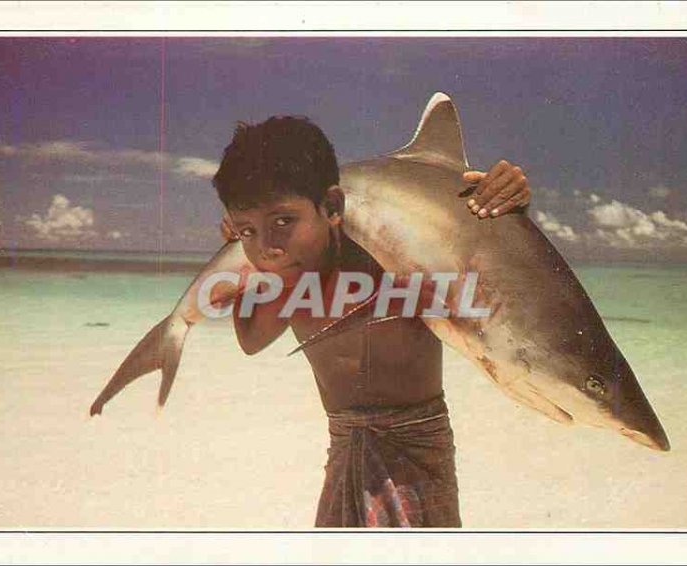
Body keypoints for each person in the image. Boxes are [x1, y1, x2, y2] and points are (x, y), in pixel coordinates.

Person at [212, 116, 530, 528]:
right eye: (248, 230)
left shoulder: (390, 256)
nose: (268, 246)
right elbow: (252, 339)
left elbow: (490, 280)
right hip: (344, 443)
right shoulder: (287, 275)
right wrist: (246, 265)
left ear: (332, 207)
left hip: (417, 441)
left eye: (283, 222)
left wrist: (505, 205)